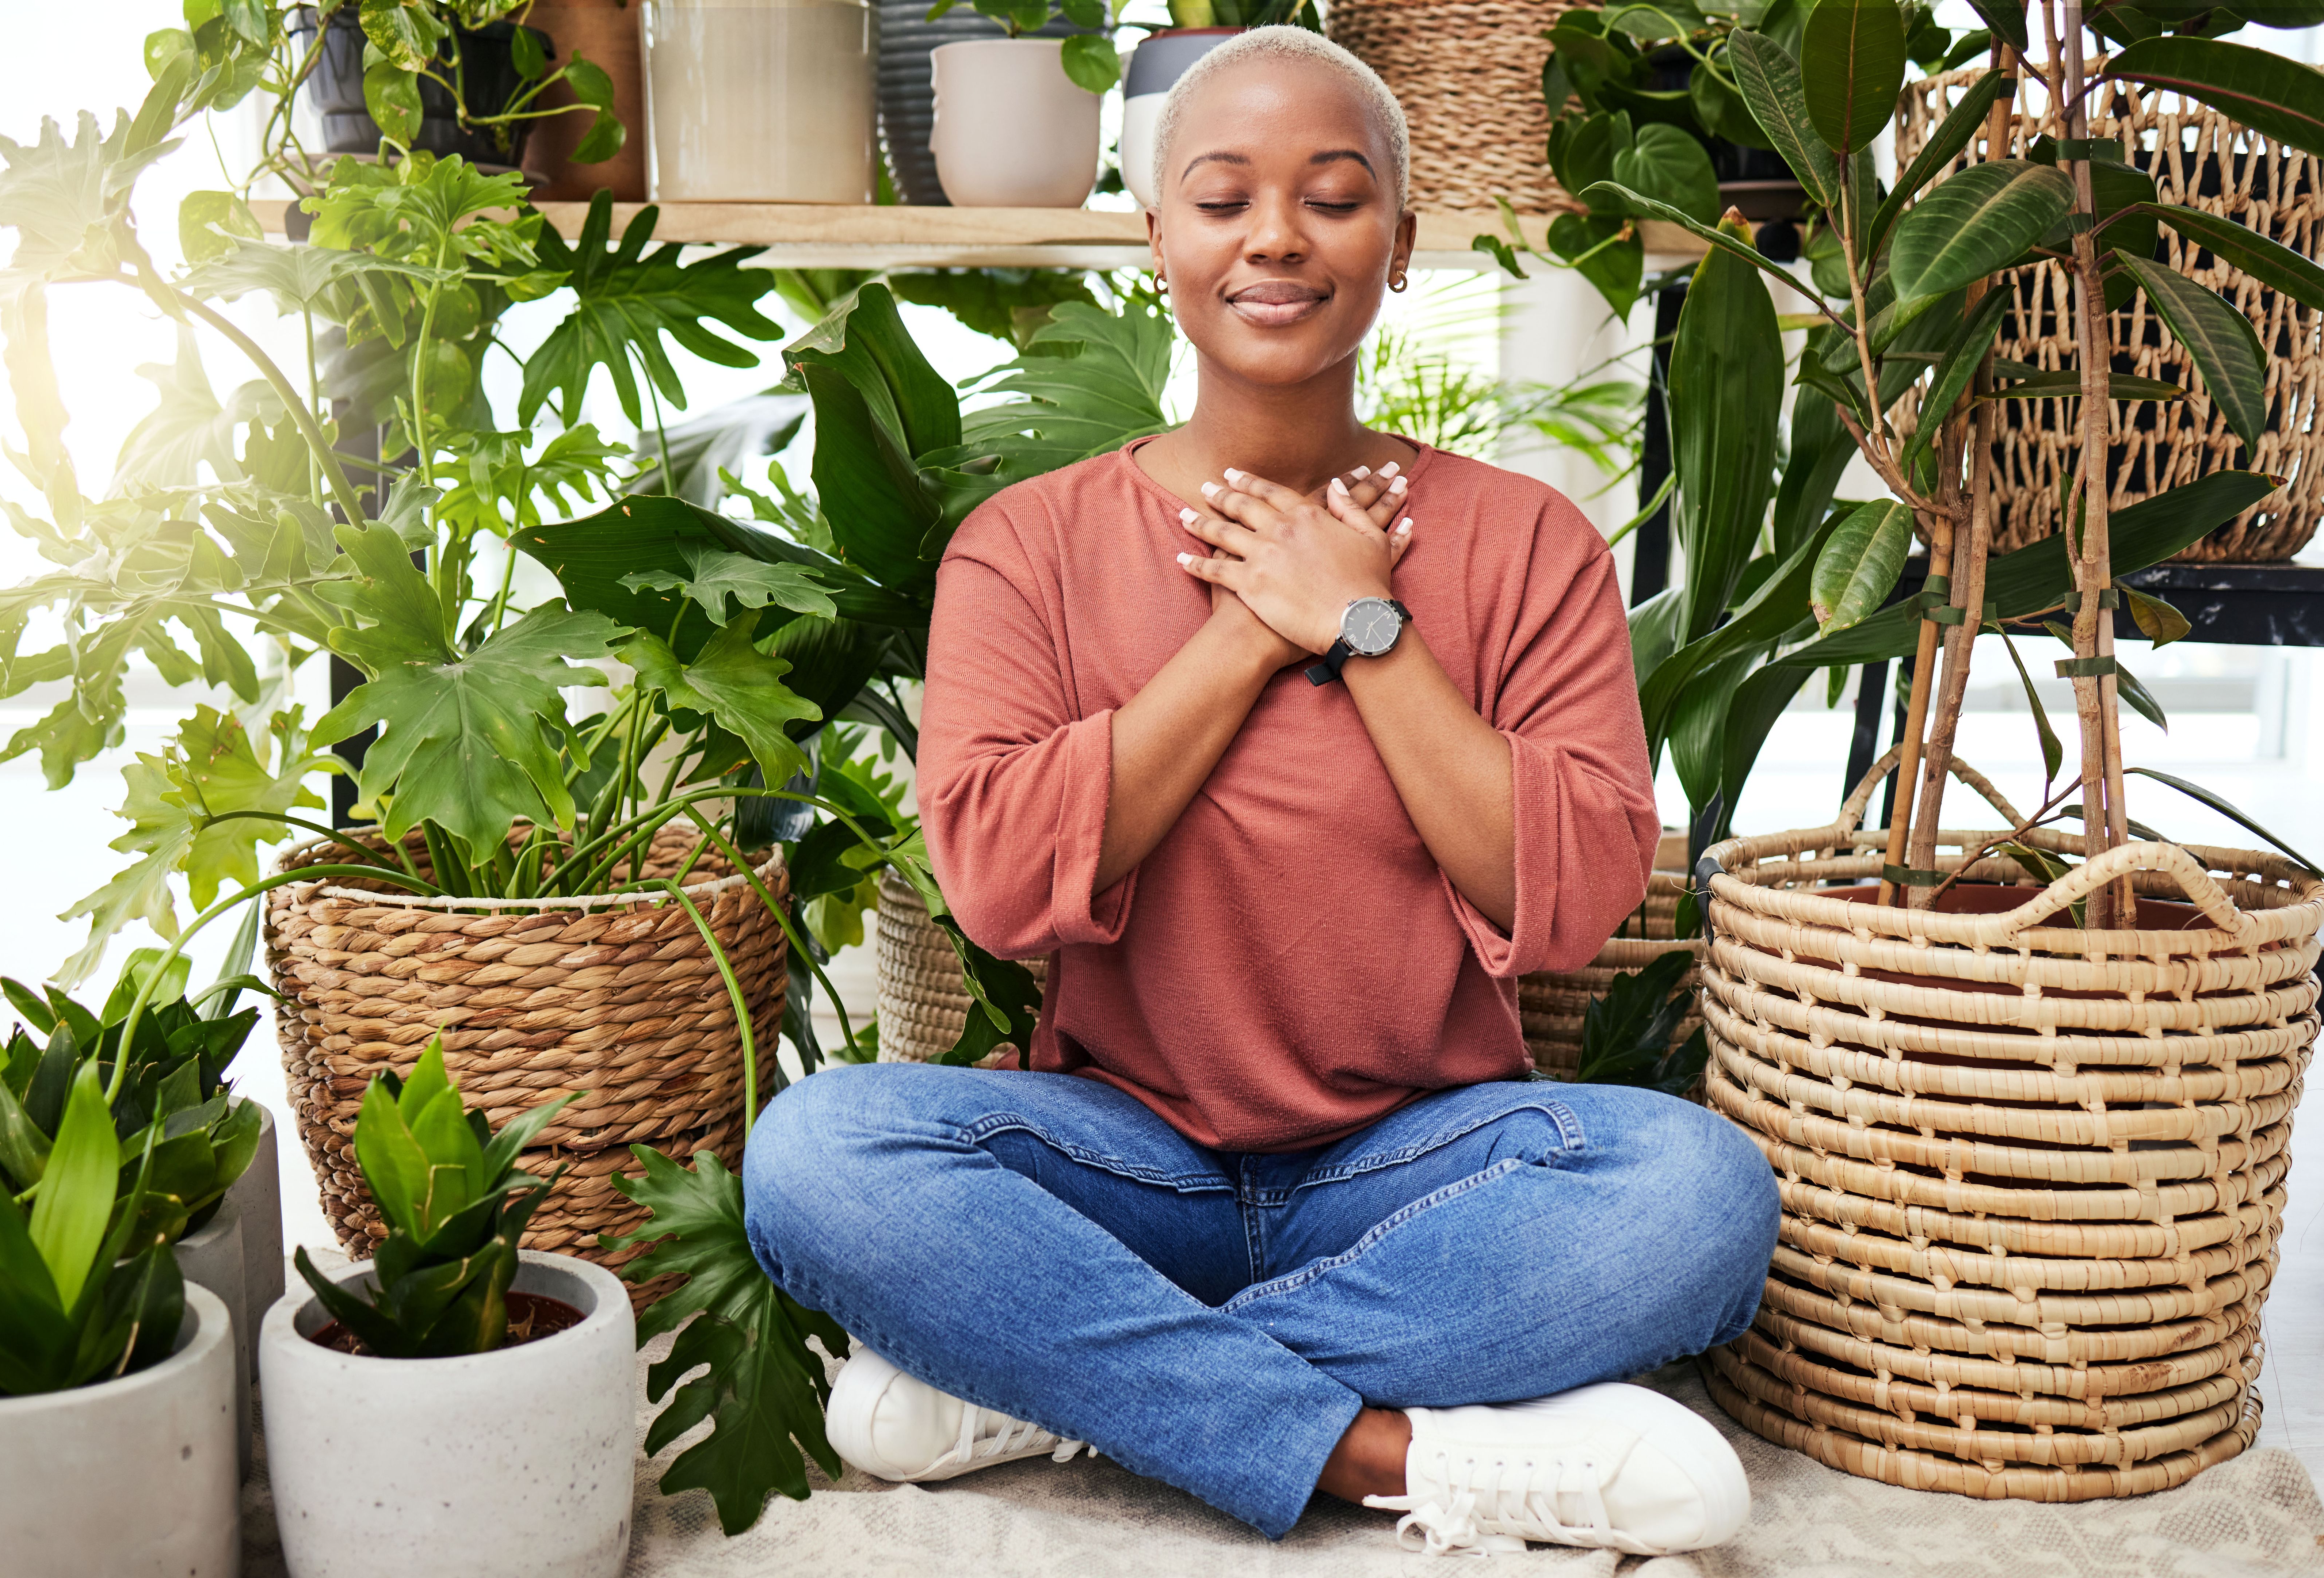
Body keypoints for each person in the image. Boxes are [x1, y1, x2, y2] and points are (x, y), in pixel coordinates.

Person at [741, 26, 1781, 1558]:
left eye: (1334, 198)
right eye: (1224, 200)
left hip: (1419, 1175)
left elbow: (1568, 897)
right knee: (818, 1155)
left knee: (1699, 1194)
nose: (1277, 238)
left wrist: (1368, 627)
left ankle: (1060, 1380)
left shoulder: (1525, 544)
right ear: (1158, 240)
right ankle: (1385, 1451)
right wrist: (1249, 628)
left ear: (1401, 245)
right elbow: (1003, 886)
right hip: (1120, 1161)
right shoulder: (1026, 547)